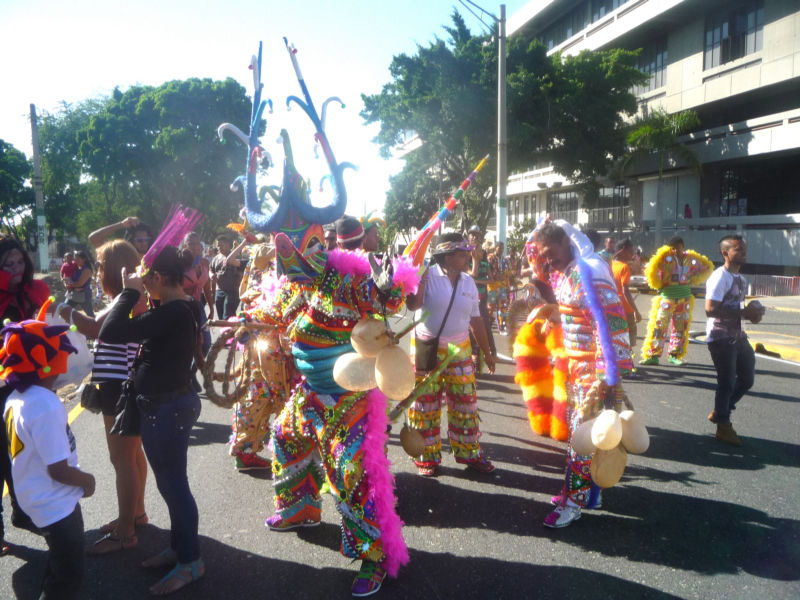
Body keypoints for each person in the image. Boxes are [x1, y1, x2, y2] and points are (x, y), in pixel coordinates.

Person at [99, 246, 205, 595]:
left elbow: (111, 331)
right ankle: (180, 547)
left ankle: (190, 561)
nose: (144, 287)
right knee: (171, 484)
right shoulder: (179, 306)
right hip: (168, 406)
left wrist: (129, 292)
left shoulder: (173, 311)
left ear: (157, 278)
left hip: (168, 409)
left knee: (174, 486)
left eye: (146, 281)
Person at [530, 221, 632, 528]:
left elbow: (610, 325)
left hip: (593, 375)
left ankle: (572, 505)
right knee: (593, 436)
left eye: (551, 252)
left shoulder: (586, 273)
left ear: (569, 245)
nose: (547, 259)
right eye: (542, 254)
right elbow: (577, 317)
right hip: (577, 371)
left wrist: (605, 377)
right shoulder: (568, 274)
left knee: (581, 440)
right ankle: (590, 495)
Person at [55, 240, 149, 554]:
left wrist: (67, 311)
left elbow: (96, 328)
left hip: (117, 388)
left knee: (121, 460)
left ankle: (125, 532)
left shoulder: (127, 297)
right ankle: (136, 514)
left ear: (112, 269)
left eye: (99, 265)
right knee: (133, 456)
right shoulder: (134, 297)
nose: (96, 273)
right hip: (126, 386)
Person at [1, 299, 95, 598]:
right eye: (61, 352)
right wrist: (87, 481)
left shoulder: (17, 396)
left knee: (59, 562)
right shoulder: (45, 405)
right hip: (56, 504)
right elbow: (58, 468)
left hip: (34, 495)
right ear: (47, 363)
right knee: (69, 573)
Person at [406, 232, 496, 476]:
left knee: (465, 404)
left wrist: (487, 352)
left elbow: (476, 320)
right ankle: (427, 457)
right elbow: (413, 306)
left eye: (467, 253)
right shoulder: (428, 274)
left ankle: (470, 452)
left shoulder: (468, 281)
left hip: (461, 350)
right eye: (461, 254)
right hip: (428, 349)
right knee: (426, 406)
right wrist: (419, 281)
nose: (468, 257)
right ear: (446, 257)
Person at [0, 235, 51, 550]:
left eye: (20, 262)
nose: (17, 268)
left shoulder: (34, 291)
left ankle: (23, 510)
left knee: (24, 451)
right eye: (8, 264)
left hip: (29, 383)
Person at [705, 235, 762, 446]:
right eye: (738, 249)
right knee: (727, 382)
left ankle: (721, 411)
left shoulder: (741, 278)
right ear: (725, 253)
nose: (744, 252)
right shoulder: (720, 277)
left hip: (738, 336)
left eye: (744, 249)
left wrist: (752, 314)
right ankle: (723, 426)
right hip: (720, 337)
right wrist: (743, 313)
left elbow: (738, 310)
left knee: (747, 379)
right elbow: (710, 309)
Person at [640, 236, 714, 366]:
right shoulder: (664, 258)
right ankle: (653, 355)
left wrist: (693, 279)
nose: (676, 251)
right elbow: (650, 269)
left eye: (678, 248)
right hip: (667, 296)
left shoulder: (690, 259)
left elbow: (707, 267)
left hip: (684, 298)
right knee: (659, 326)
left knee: (680, 327)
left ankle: (675, 355)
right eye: (673, 248)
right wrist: (658, 283)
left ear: (683, 247)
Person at [467, 225, 496, 362]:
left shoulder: (484, 258)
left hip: (481, 296)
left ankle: (491, 352)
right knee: (469, 325)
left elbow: (487, 278)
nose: (474, 237)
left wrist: (479, 281)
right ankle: (474, 353)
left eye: (476, 235)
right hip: (466, 295)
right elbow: (471, 273)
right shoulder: (464, 254)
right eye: (472, 234)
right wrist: (474, 261)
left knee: (483, 322)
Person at [612, 239, 642, 355]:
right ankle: (627, 363)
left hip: (613, 307)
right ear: (623, 250)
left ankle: (621, 361)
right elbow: (626, 291)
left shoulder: (610, 264)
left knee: (617, 336)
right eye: (630, 251)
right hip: (625, 309)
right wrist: (636, 311)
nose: (632, 254)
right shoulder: (624, 267)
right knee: (628, 337)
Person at [210, 234, 248, 320]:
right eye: (218, 246)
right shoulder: (216, 258)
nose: (219, 248)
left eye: (221, 245)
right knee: (221, 319)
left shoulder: (237, 256)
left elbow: (244, 272)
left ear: (228, 245)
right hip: (219, 291)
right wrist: (211, 275)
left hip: (233, 292)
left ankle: (229, 333)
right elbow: (211, 269)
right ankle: (225, 333)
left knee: (228, 317)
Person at [89, 216, 153, 257]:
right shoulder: (120, 256)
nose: (144, 243)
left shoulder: (152, 256)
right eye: (139, 240)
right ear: (131, 241)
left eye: (147, 239)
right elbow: (93, 238)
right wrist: (121, 224)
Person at [65, 250, 95, 317]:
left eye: (78, 259)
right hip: (72, 294)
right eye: (75, 259)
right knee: (64, 310)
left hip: (84, 296)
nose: (76, 261)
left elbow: (79, 284)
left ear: (84, 259)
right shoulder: (76, 268)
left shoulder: (87, 270)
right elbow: (67, 276)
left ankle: (98, 326)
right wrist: (66, 282)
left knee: (91, 315)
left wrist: (69, 285)